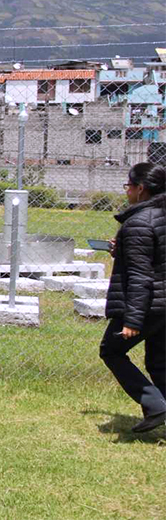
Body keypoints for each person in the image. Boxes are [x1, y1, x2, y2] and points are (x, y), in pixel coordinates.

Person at [99, 162, 165, 433]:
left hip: (149, 305)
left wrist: (132, 319)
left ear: (141, 189)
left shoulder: (138, 222)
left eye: (128, 186)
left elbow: (141, 276)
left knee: (111, 350)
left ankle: (155, 404)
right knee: (159, 361)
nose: (126, 192)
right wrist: (123, 250)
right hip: (163, 305)